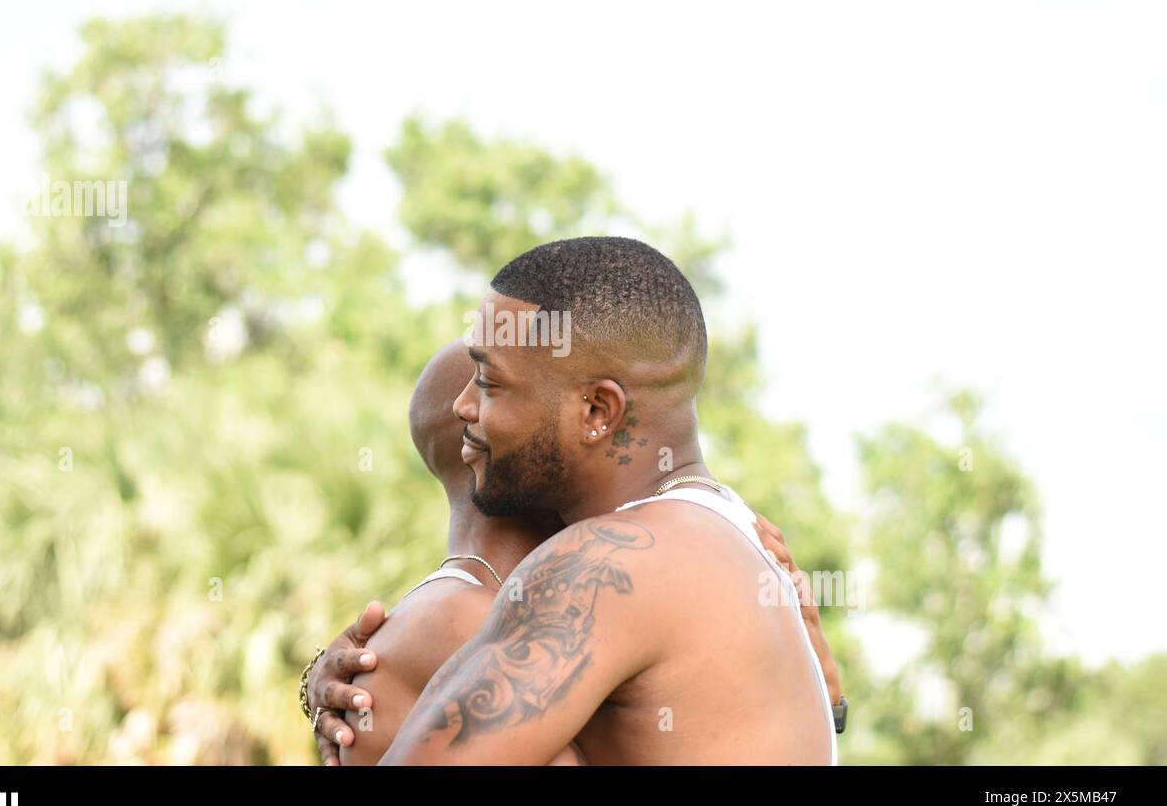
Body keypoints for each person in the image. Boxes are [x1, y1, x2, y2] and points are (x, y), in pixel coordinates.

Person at [305, 237, 843, 764]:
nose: (464, 405)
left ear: (596, 411)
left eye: (490, 383)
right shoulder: (739, 536)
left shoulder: (602, 564)